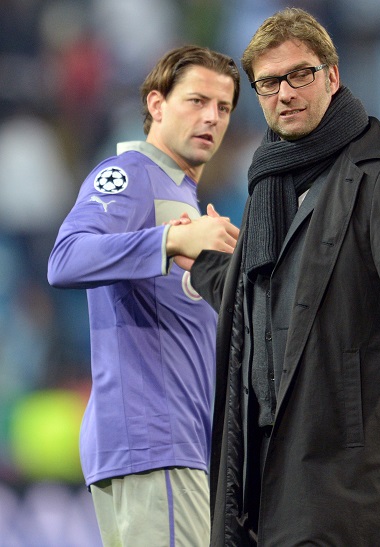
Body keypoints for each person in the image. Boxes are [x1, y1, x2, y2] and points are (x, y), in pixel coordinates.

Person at [172, 7, 380, 546]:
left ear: (332, 76)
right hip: (271, 478)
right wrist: (206, 261)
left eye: (300, 74)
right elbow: (259, 304)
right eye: (270, 82)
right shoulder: (267, 190)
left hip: (354, 478)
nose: (286, 92)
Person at [47, 45, 241, 546]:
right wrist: (172, 239)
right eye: (196, 101)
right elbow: (65, 258)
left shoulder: (186, 197)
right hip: (155, 441)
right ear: (156, 104)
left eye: (222, 107)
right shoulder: (132, 175)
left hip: (175, 446)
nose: (211, 118)